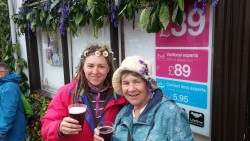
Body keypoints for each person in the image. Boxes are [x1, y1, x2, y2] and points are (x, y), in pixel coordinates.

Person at [94, 56, 194, 141]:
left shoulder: (171, 113)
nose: (131, 89)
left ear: (148, 84)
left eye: (137, 82)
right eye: (126, 83)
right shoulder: (123, 113)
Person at [41, 44, 127, 141]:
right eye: (90, 66)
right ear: (83, 67)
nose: (95, 71)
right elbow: (46, 127)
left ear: (108, 69)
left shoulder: (120, 94)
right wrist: (59, 128)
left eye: (101, 66)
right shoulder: (66, 92)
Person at [0, 62, 27, 141]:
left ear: (5, 73)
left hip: (11, 135)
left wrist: (2, 131)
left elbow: (9, 111)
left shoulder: (9, 87)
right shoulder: (3, 85)